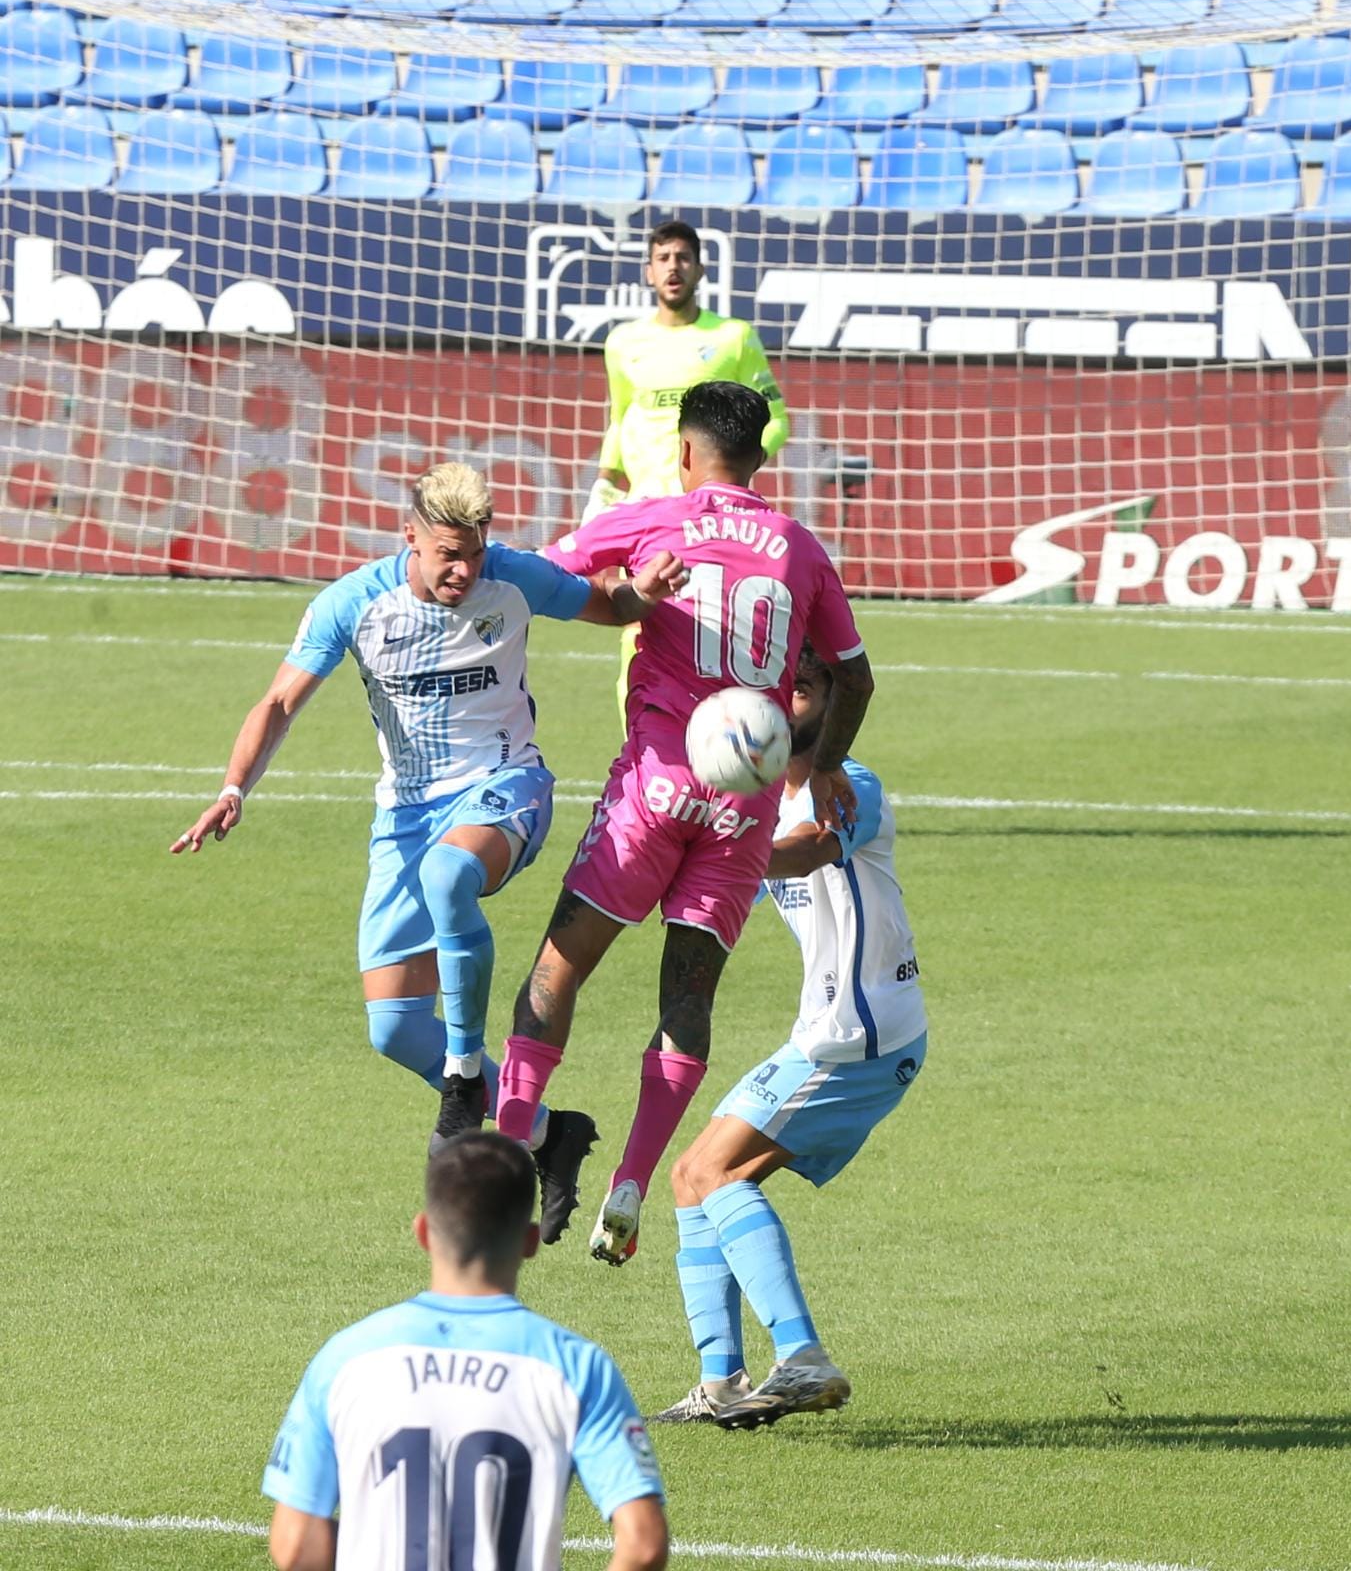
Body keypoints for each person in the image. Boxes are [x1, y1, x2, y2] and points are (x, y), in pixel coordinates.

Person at [171, 461, 686, 1241]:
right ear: (408, 535)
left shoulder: (513, 579)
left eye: (474, 552)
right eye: (448, 552)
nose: (463, 569)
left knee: (451, 876)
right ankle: (552, 1132)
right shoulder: (354, 603)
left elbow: (606, 605)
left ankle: (464, 1074)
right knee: (392, 1028)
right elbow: (278, 701)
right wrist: (235, 787)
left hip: (506, 786)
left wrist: (641, 593)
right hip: (405, 814)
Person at [476, 381, 874, 1269]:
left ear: (687, 451)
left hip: (654, 789)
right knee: (687, 1000)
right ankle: (631, 1180)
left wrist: (623, 589)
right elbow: (855, 676)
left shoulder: (655, 516)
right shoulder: (802, 550)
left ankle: (507, 1155)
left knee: (558, 966)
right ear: (761, 460)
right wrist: (831, 763)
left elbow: (545, 575)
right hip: (744, 808)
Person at [654, 644, 928, 1430]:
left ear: (835, 706)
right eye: (785, 689)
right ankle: (721, 1383)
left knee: (711, 1171)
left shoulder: (854, 787)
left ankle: (803, 1356)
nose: (790, 703)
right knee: (692, 1179)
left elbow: (812, 851)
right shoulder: (758, 803)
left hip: (858, 1038)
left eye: (806, 689)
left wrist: (720, 860)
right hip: (834, 1030)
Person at [263, 1132, 669, 1571]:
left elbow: (295, 1545)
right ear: (530, 1242)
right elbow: (643, 1545)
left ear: (423, 1232)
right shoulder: (577, 1368)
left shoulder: (346, 1359)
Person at [587, 218, 792, 720]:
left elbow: (777, 419)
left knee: (717, 628)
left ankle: (730, 741)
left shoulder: (733, 338)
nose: (673, 267)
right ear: (648, 272)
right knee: (637, 625)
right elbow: (621, 419)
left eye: (682, 257)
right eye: (663, 258)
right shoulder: (623, 343)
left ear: (699, 268)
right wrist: (604, 483)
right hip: (646, 512)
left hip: (711, 514)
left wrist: (736, 471)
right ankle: (642, 742)